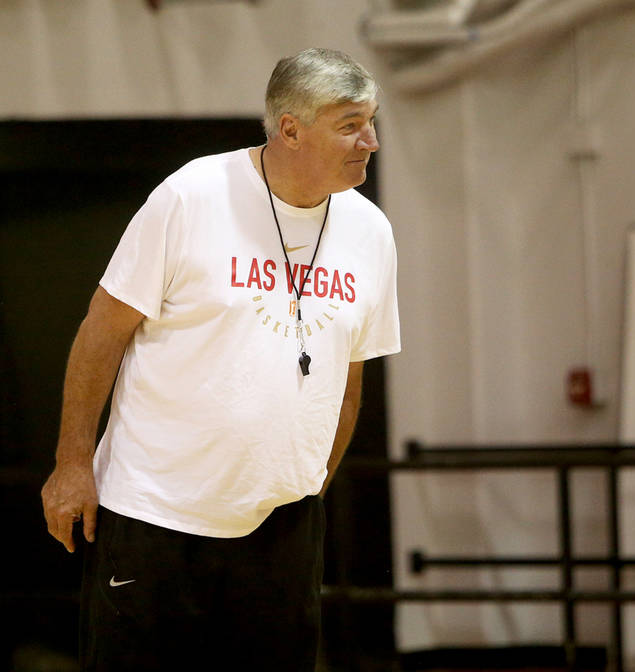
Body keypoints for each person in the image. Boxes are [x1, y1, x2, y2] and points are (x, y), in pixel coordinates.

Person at [39, 47, 400, 671]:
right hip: (154, 515)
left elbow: (349, 378)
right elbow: (101, 334)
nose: (369, 140)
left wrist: (305, 486)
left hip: (280, 529)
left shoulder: (371, 231)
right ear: (290, 129)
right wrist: (72, 465)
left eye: (371, 121)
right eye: (349, 124)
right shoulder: (192, 196)